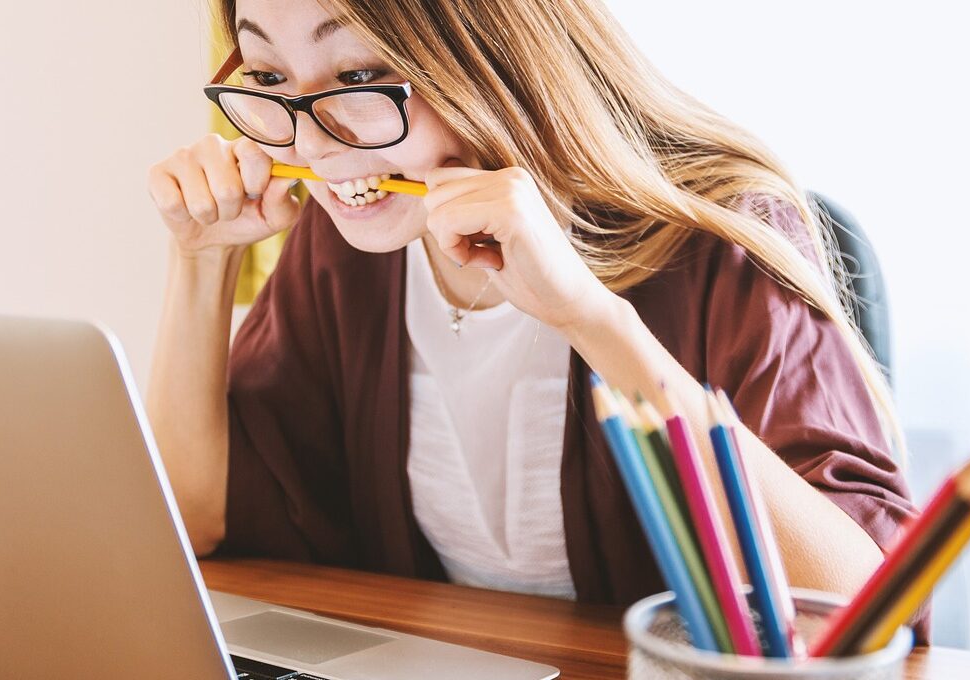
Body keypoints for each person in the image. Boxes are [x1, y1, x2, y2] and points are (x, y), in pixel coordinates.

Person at [146, 0, 924, 635]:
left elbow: (861, 610)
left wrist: (591, 319)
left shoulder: (722, 239)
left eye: (359, 72)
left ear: (487, 55)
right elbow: (197, 520)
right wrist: (202, 259)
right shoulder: (344, 246)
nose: (313, 144)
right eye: (272, 75)